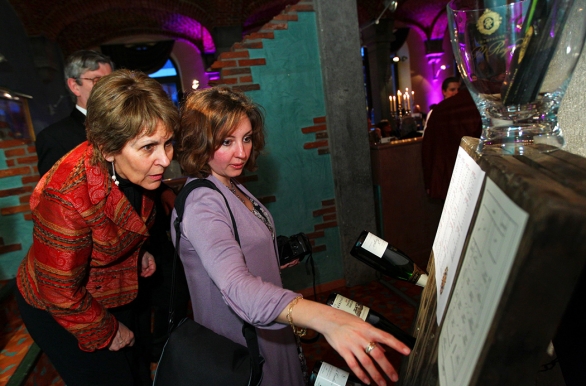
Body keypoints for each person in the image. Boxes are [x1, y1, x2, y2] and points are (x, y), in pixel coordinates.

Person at [173, 86, 411, 386]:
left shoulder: (227, 182)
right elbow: (235, 285)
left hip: (268, 327)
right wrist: (324, 318)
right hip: (242, 344)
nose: (242, 152)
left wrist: (270, 256)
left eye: (246, 138)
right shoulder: (203, 203)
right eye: (226, 141)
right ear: (200, 142)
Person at [15, 69, 179, 386]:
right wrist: (106, 329)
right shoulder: (66, 196)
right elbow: (59, 292)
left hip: (111, 288)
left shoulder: (137, 171)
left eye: (168, 143)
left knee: (138, 371)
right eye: (148, 147)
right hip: (60, 307)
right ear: (107, 148)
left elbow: (125, 221)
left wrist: (138, 251)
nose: (165, 159)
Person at [36, 50, 114, 177]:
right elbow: (56, 193)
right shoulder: (54, 138)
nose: (109, 88)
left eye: (111, 80)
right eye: (97, 80)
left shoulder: (127, 123)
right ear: (74, 86)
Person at [421, 86, 482, 200]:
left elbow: (428, 148)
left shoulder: (440, 109)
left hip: (445, 177)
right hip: (475, 176)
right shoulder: (481, 105)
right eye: (451, 89)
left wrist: (429, 182)